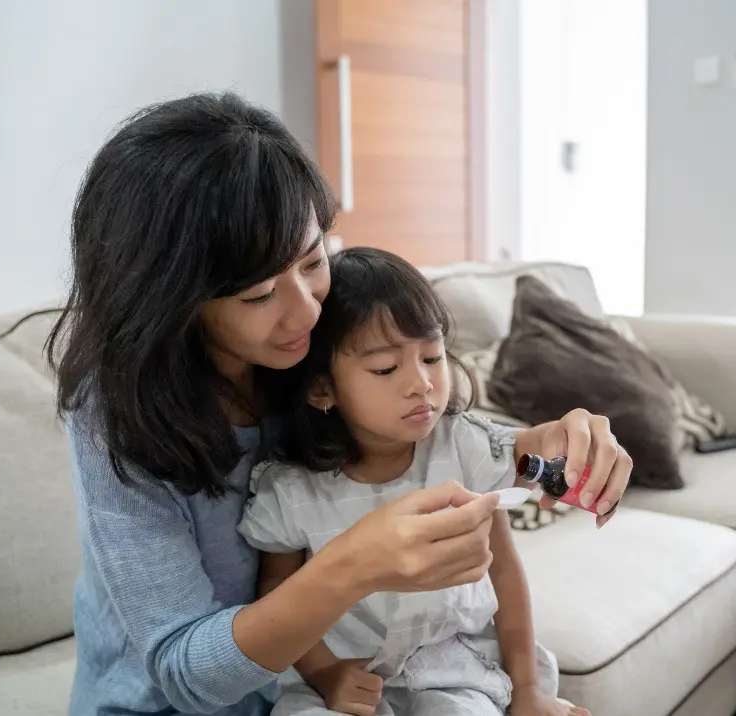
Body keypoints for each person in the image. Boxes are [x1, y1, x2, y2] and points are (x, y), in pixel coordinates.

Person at [47, 92, 632, 715]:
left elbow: (460, 442)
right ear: (172, 302)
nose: (306, 310)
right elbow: (185, 676)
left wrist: (554, 446)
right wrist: (356, 564)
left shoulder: (307, 349)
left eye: (313, 261)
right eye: (259, 294)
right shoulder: (114, 414)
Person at [239, 247, 590, 716]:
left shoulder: (462, 449)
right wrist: (325, 675)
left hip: (452, 671)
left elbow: (502, 571)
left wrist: (528, 690)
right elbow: (275, 592)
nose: (421, 383)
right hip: (342, 677)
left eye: (432, 356)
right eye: (386, 368)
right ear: (322, 389)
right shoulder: (290, 489)